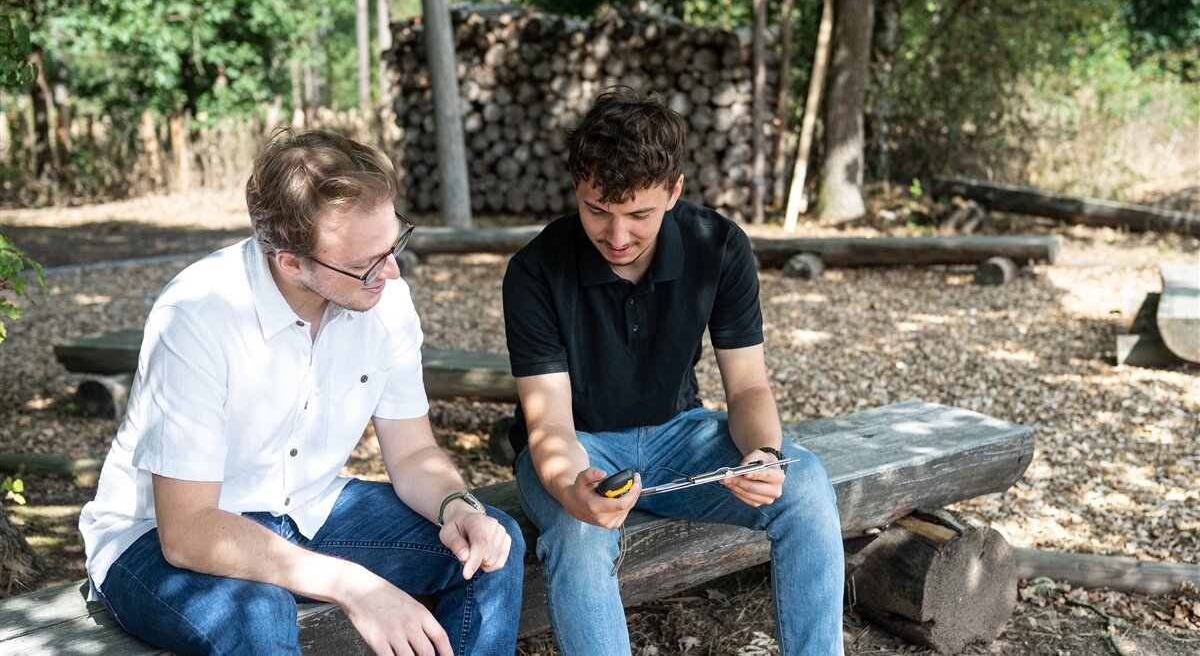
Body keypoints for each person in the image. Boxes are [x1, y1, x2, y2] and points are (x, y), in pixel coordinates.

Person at [79, 129, 524, 656]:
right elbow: (188, 529)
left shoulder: (387, 300)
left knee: (490, 543)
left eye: (394, 243)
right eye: (364, 264)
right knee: (259, 612)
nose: (392, 271)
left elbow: (414, 453)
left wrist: (457, 507)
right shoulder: (197, 316)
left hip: (308, 509)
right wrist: (353, 585)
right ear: (290, 261)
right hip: (155, 537)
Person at [502, 87, 844, 655]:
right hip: (578, 446)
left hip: (679, 434)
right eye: (597, 211)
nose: (617, 237)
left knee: (804, 483)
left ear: (676, 190)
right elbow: (549, 428)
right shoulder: (535, 271)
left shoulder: (719, 245)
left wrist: (762, 453)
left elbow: (750, 387)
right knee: (579, 531)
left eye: (640, 214)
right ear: (576, 189)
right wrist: (571, 488)